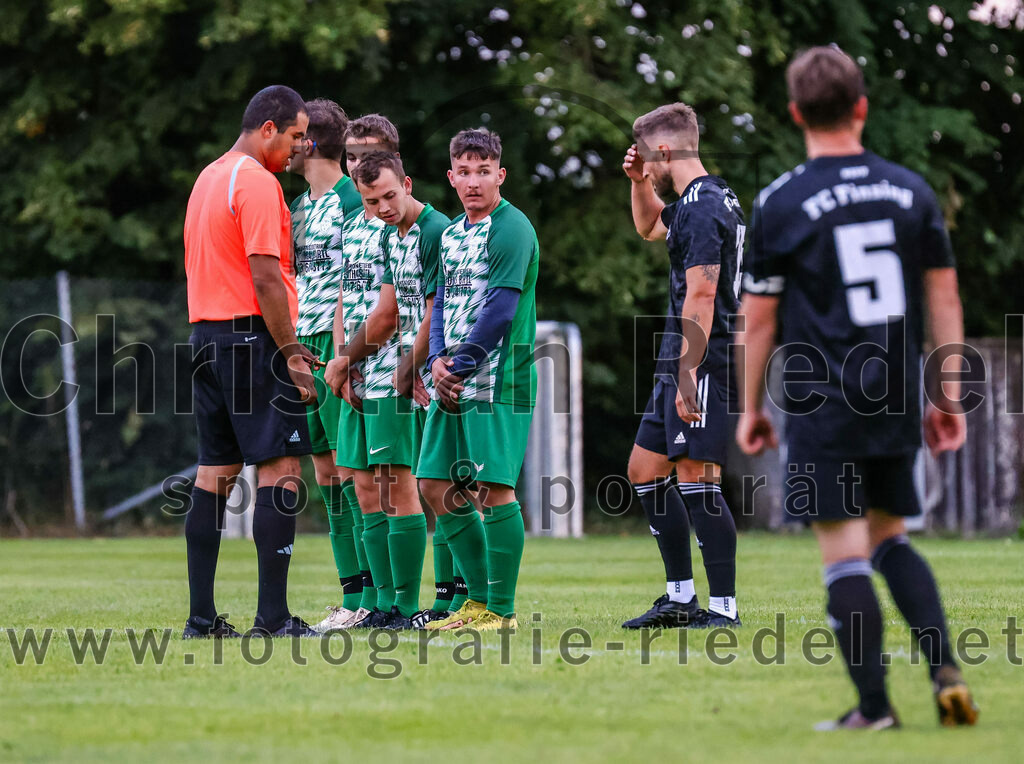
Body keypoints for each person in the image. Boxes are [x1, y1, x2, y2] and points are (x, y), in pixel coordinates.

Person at [736, 45, 979, 729]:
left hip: (822, 401)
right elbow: (946, 300)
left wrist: (751, 408)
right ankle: (945, 673)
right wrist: (948, 391)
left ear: (794, 113)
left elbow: (756, 324)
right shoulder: (912, 191)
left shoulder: (781, 202)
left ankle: (874, 709)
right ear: (862, 107)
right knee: (891, 537)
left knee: (844, 557)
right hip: (896, 394)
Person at [181, 85, 318, 639]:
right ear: (268, 128)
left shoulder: (208, 177)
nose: (300, 148)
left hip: (205, 337)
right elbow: (264, 275)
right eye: (295, 136)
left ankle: (201, 618)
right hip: (251, 340)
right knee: (282, 469)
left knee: (214, 472)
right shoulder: (257, 181)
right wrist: (291, 353)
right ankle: (274, 619)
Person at [620, 103, 744, 630]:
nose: (646, 167)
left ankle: (722, 609)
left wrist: (689, 372)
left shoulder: (702, 207)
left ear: (666, 152)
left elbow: (704, 290)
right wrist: (636, 181)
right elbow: (649, 226)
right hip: (679, 354)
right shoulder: (703, 197)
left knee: (697, 476)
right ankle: (679, 597)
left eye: (648, 161)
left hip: (703, 355)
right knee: (644, 471)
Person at [417, 128, 539, 632]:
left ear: (500, 175)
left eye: (483, 171)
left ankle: (502, 611)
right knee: (435, 483)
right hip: (455, 379)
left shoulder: (512, 229)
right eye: (464, 172)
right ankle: (478, 601)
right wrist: (435, 364)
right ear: (451, 176)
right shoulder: (450, 235)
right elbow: (443, 304)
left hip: (498, 380)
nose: (473, 181)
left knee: (492, 489)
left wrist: (456, 368)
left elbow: (500, 313)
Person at [329, 151, 453, 628]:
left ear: (407, 181)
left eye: (388, 195)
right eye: (371, 200)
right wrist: (350, 359)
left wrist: (408, 370)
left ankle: (405, 607)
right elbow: (387, 301)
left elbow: (429, 310)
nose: (382, 206)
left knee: (404, 487)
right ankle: (381, 604)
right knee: (370, 487)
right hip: (377, 370)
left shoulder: (434, 231)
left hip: (406, 376)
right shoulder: (391, 235)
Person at [286, 98, 368, 633]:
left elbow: (355, 280)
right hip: (300, 346)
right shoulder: (297, 205)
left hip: (336, 347)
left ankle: (374, 596)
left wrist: (346, 353)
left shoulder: (349, 199)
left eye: (295, 137)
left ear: (310, 142)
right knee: (325, 474)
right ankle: (350, 594)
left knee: (353, 471)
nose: (287, 146)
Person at [323, 114, 399, 628]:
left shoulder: (407, 223)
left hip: (395, 368)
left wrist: (351, 359)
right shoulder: (350, 221)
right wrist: (339, 361)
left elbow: (397, 308)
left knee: (412, 488)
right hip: (353, 368)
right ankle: (369, 602)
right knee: (354, 483)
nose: (359, 165)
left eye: (369, 154)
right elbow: (344, 299)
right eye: (351, 156)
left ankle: (432, 600)